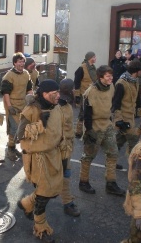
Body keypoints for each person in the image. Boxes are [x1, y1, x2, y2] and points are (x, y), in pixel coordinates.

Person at [16, 80, 63, 242]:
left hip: (54, 154)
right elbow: (20, 135)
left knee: (52, 189)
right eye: (54, 93)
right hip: (38, 158)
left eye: (58, 92)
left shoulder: (56, 107)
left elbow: (58, 129)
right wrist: (40, 123)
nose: (58, 95)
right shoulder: (31, 109)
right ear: (43, 93)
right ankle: (40, 227)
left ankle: (26, 203)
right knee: (44, 193)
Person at [79, 65, 125, 196]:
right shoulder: (91, 91)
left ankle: (110, 184)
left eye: (112, 76)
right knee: (88, 156)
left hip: (107, 125)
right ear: (101, 77)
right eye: (108, 76)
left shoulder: (111, 87)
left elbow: (113, 103)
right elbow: (86, 113)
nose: (111, 78)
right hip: (94, 126)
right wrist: (88, 131)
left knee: (113, 153)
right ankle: (83, 182)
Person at [111, 60, 141, 161]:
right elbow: (116, 103)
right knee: (134, 139)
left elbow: (137, 99)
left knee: (119, 141)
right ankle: (135, 165)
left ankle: (111, 160)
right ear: (136, 71)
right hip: (123, 118)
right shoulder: (121, 83)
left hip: (130, 116)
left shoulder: (134, 81)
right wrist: (118, 120)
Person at [0, 52, 33, 161]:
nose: (22, 63)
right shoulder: (9, 76)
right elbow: (5, 93)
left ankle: (14, 148)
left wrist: (31, 100)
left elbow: (29, 89)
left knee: (22, 128)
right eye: (19, 61)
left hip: (23, 105)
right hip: (12, 104)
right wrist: (9, 107)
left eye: (23, 61)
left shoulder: (26, 74)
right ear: (15, 63)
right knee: (14, 129)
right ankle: (10, 148)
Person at [58, 78, 80, 217]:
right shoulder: (58, 106)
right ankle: (67, 203)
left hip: (66, 146)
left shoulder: (66, 103)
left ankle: (67, 202)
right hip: (58, 147)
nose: (75, 91)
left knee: (64, 174)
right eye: (73, 88)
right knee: (60, 176)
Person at [74, 51, 97, 138]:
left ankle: (89, 130)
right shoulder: (81, 68)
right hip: (84, 94)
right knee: (83, 113)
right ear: (90, 58)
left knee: (92, 112)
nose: (95, 58)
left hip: (93, 93)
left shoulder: (93, 67)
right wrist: (77, 95)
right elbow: (76, 82)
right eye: (94, 57)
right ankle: (78, 131)